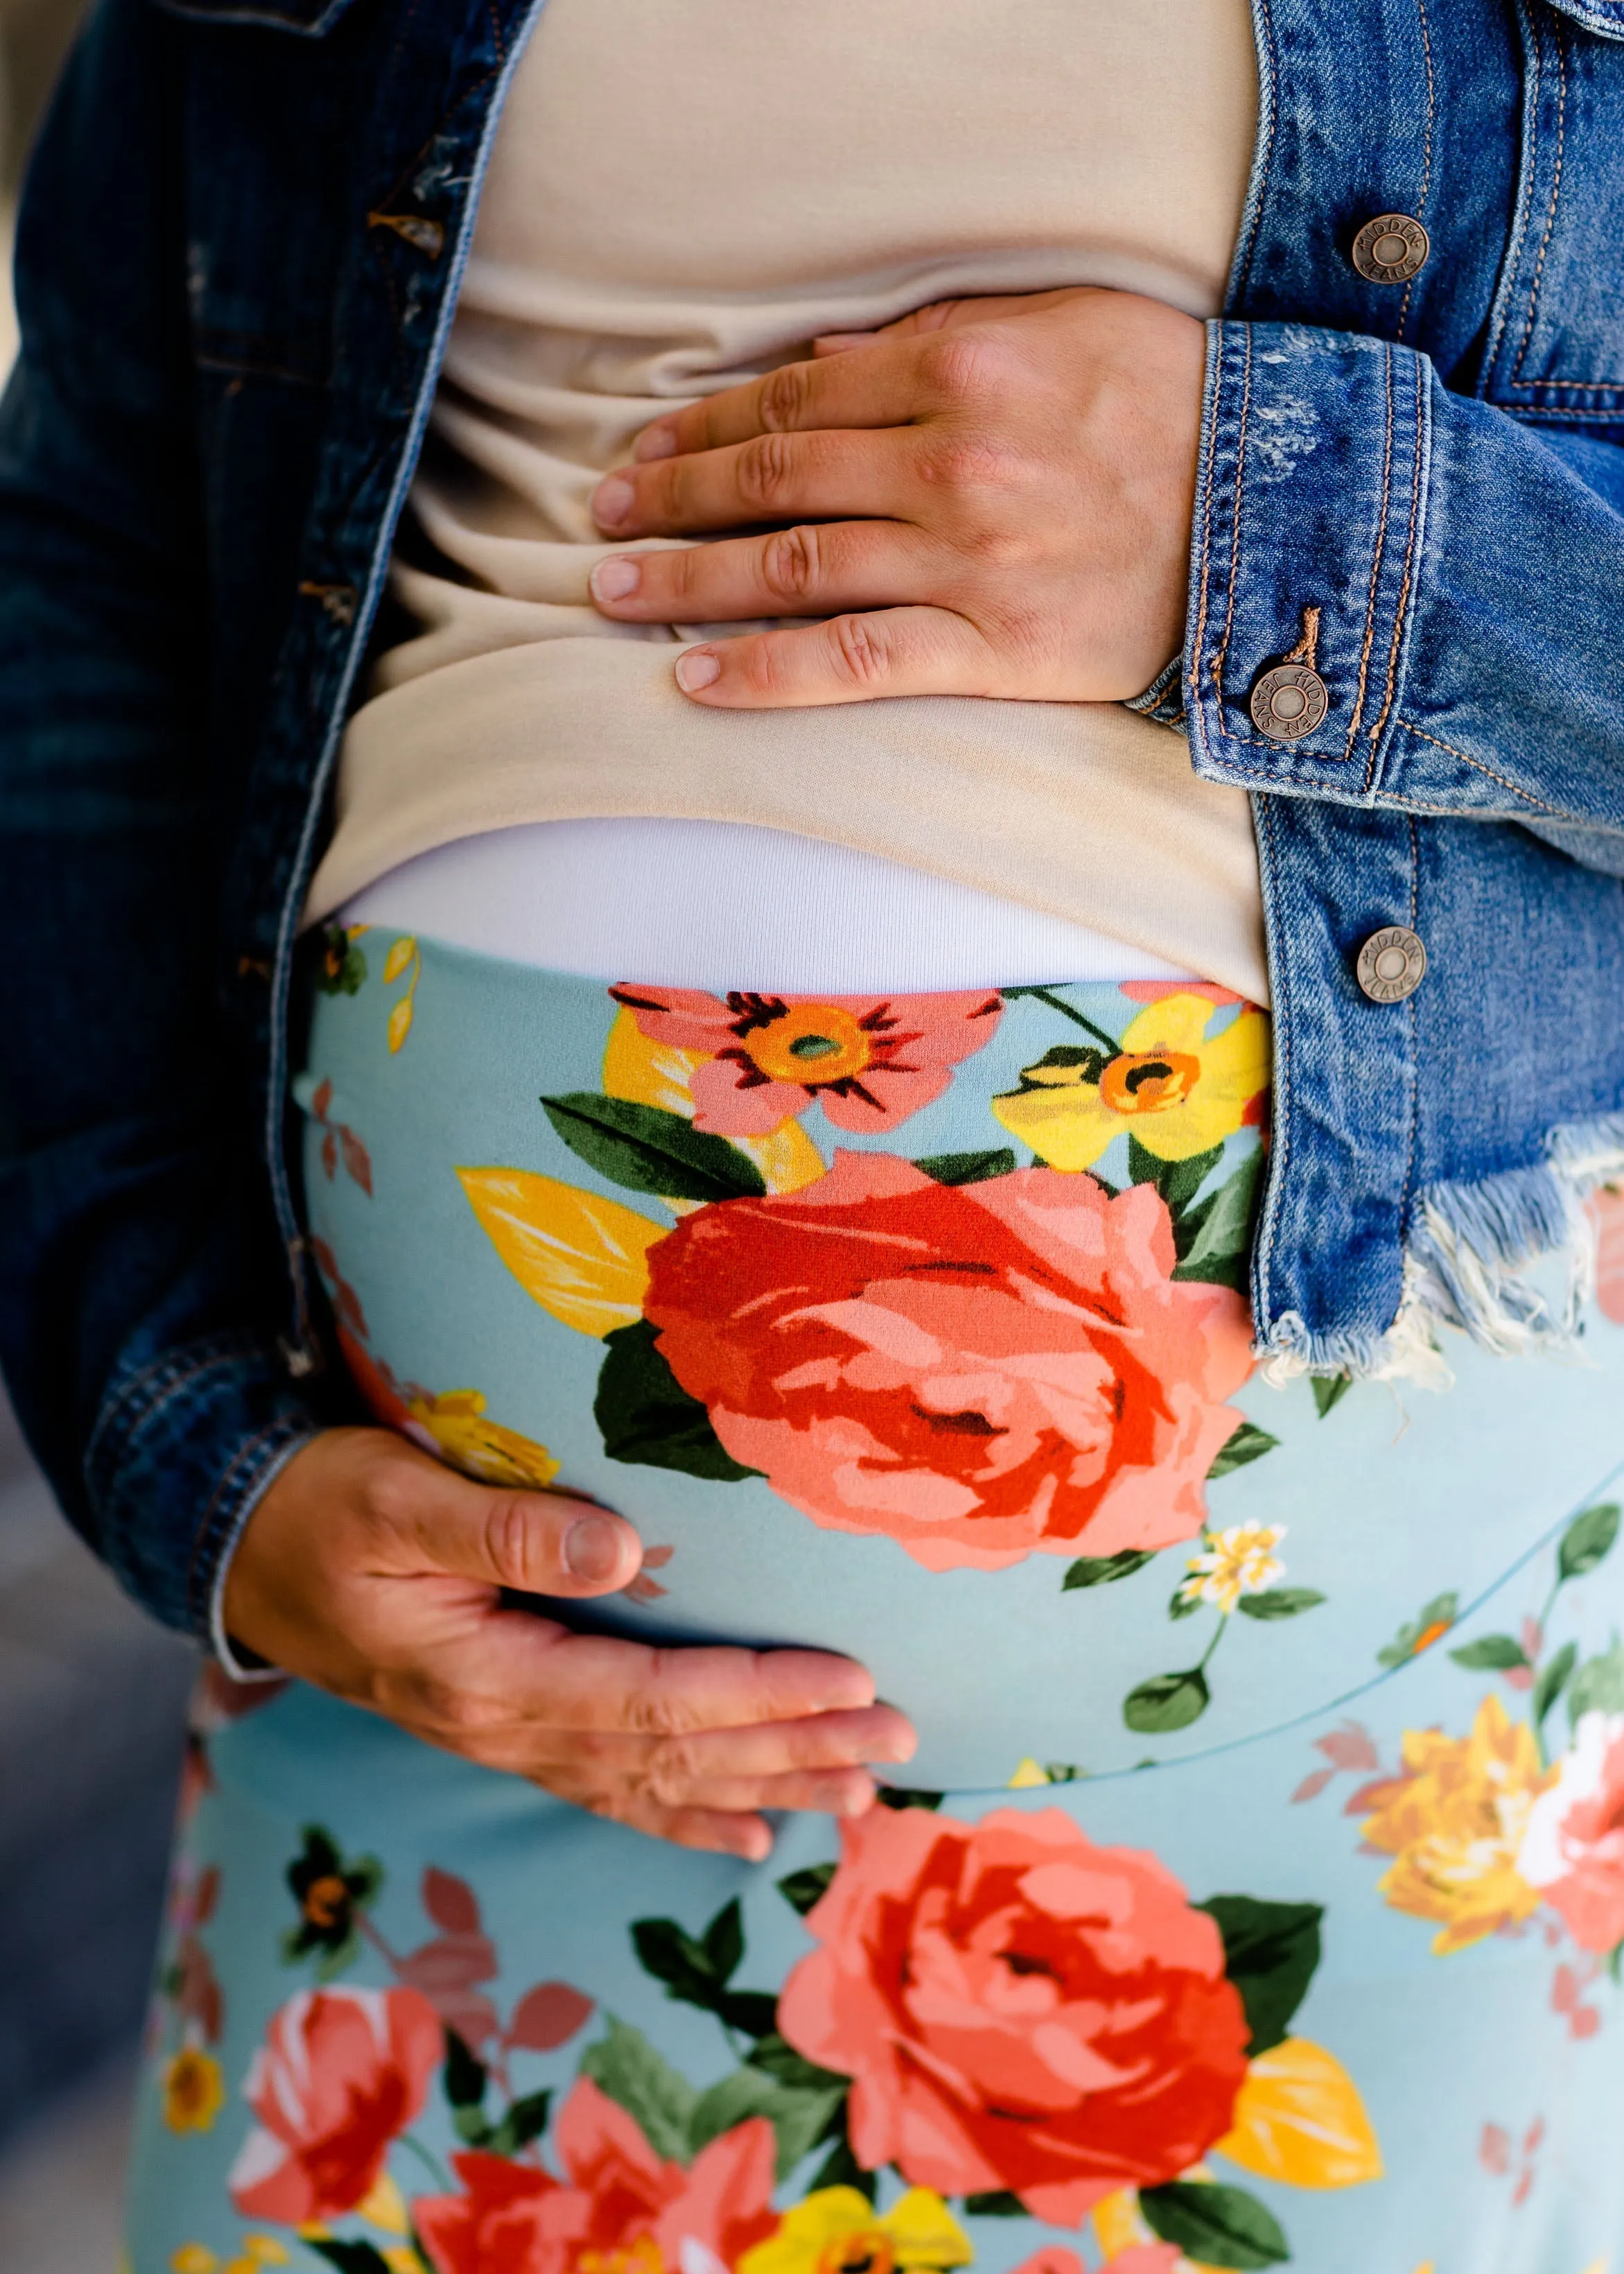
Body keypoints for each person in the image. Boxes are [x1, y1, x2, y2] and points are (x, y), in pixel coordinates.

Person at [4, 1, 1624, 2266]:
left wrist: (1322, 537)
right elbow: (92, 536)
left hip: (1347, 1750)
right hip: (444, 1738)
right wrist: (177, 1438)